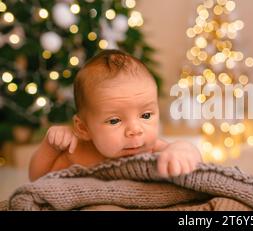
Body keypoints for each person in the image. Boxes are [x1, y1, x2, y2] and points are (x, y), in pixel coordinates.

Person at [29, 50, 202, 181]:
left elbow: (193, 156)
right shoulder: (77, 151)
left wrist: (180, 151)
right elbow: (37, 179)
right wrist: (50, 147)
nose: (135, 130)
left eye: (146, 115)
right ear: (83, 128)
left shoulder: (152, 149)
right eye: (114, 120)